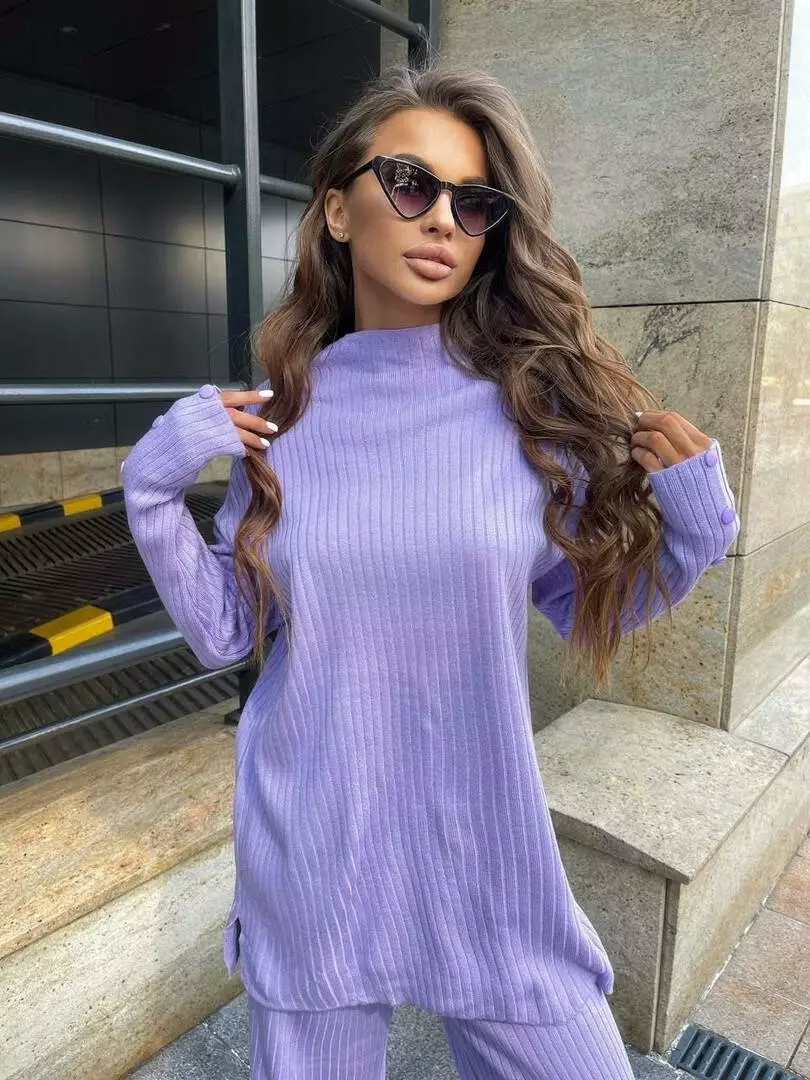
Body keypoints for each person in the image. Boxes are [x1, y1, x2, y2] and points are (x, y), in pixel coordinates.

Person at [122, 61, 740, 1079]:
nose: (443, 219)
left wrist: (694, 534)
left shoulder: (530, 414)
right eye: (411, 184)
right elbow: (228, 633)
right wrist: (151, 490)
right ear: (337, 208)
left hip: (485, 852)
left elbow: (587, 605)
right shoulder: (280, 419)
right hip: (315, 853)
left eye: (474, 202)